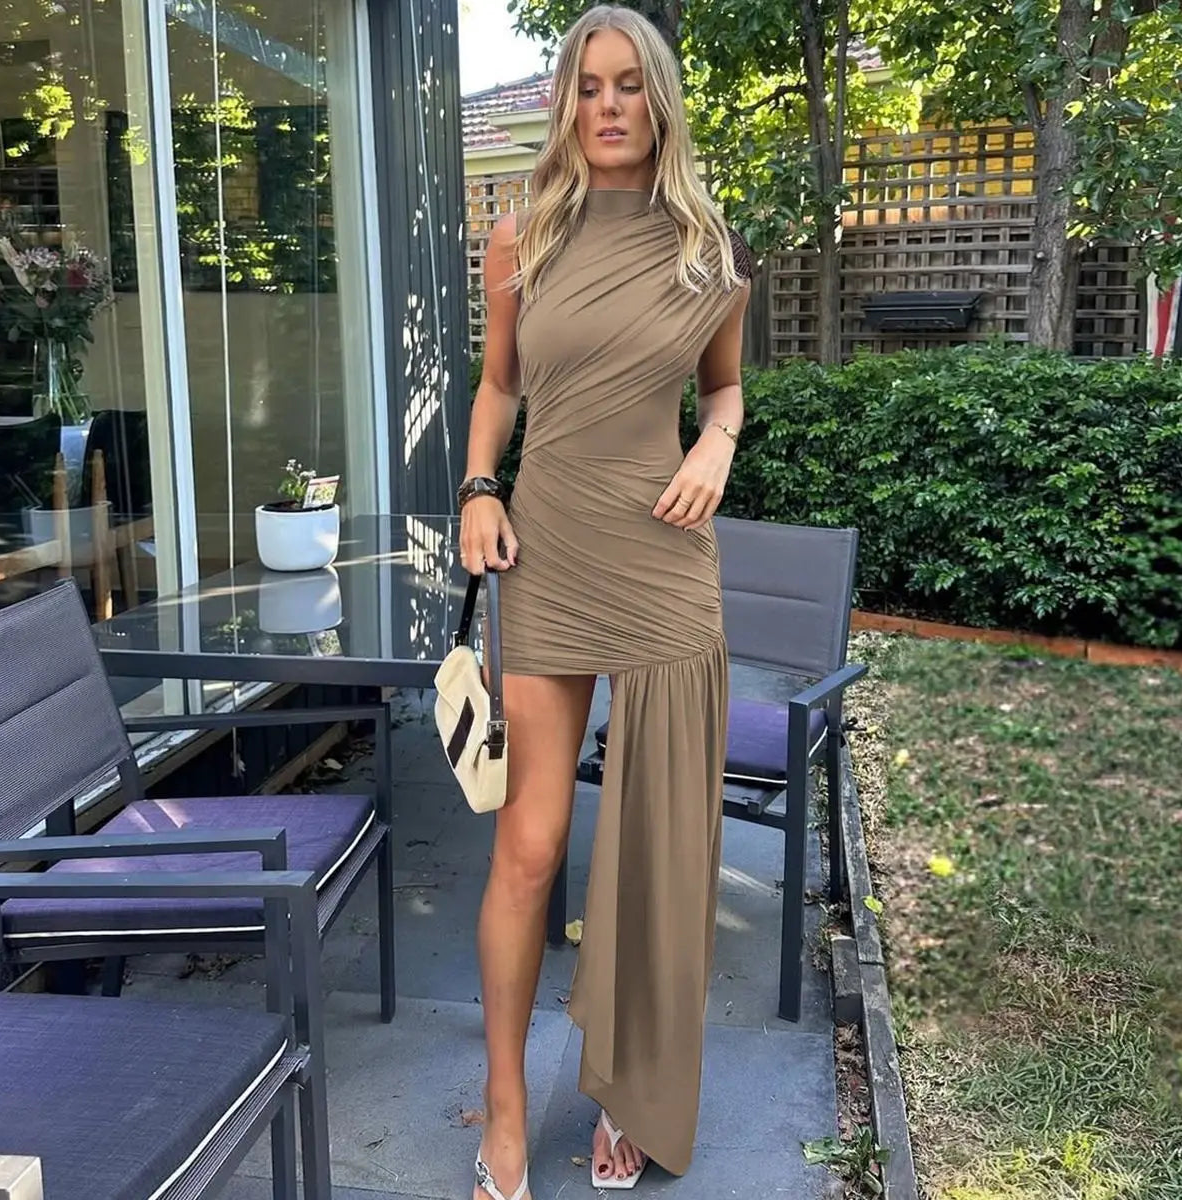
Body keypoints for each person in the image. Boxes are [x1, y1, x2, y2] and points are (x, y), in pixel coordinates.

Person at [457, 6, 751, 1197]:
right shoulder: (521, 239)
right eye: (588, 86)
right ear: (565, 104)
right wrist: (479, 487)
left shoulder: (708, 250)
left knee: (659, 845)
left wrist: (716, 445)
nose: (609, 105)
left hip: (667, 558)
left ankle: (630, 1088)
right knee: (531, 845)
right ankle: (505, 1108)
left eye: (629, 85)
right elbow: (497, 388)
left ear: (658, 100)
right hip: (550, 552)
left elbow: (725, 392)